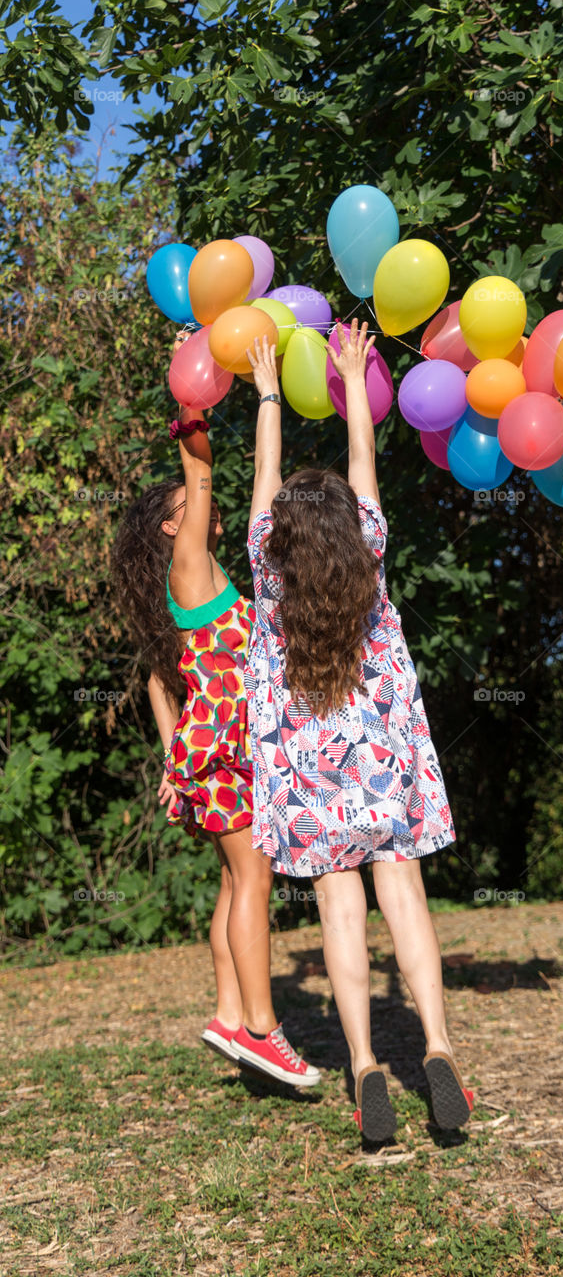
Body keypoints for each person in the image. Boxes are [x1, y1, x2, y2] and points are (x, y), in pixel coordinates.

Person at [244, 322, 472, 1140]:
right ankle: (439, 1049)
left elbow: (269, 479)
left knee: (340, 913)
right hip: (385, 765)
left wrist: (267, 392)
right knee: (401, 896)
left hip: (311, 782)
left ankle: (366, 1067)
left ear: (281, 532)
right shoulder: (368, 555)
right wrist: (350, 378)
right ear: (349, 528)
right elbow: (361, 469)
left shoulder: (269, 570)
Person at [111, 338, 319, 1088]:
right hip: (227, 753)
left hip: (209, 751)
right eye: (185, 509)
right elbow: (200, 467)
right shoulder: (190, 563)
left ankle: (231, 1014)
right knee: (254, 883)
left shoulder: (191, 586)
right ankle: (265, 1031)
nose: (200, 506)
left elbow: (161, 684)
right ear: (173, 528)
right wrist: (189, 394)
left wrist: (174, 760)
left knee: (236, 884)